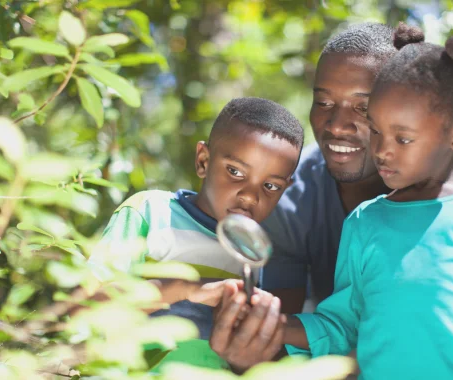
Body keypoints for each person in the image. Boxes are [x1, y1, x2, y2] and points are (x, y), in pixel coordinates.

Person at [209, 22, 453, 370]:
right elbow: (281, 333)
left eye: (363, 108)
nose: (335, 125)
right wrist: (250, 346)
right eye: (324, 102)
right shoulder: (289, 195)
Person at [280, 31, 453, 379]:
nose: (383, 150)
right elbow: (342, 326)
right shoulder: (364, 222)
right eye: (376, 131)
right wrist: (273, 324)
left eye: (403, 138)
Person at [87, 96, 303, 372]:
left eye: (271, 186)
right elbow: (90, 303)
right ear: (203, 161)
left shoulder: (256, 252)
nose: (250, 197)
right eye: (235, 171)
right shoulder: (153, 212)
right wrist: (187, 289)